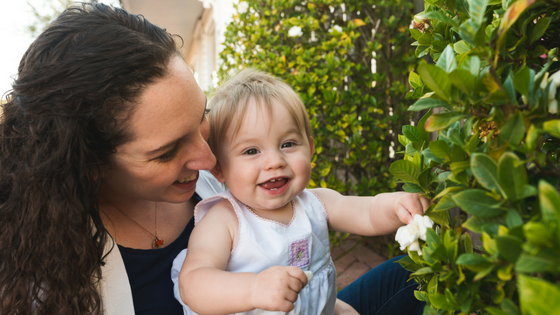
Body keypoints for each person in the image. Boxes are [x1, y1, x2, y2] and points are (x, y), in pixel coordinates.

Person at [0, 3, 424, 315]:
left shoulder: (240, 183)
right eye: (167, 151)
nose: (208, 159)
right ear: (90, 165)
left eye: (200, 117)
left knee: (426, 271)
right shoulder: (51, 283)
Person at [173, 69, 429, 315]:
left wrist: (397, 206)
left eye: (288, 144)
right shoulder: (225, 220)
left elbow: (368, 212)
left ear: (310, 148)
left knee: (413, 275)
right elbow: (193, 283)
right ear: (219, 168)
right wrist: (253, 288)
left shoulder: (316, 202)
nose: (275, 161)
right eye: (251, 151)